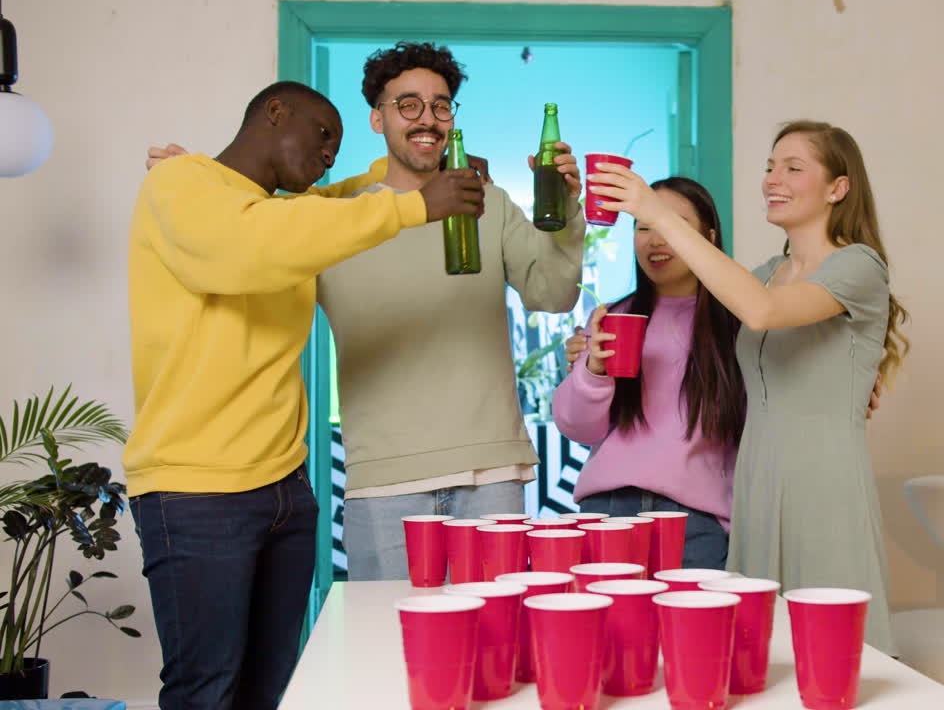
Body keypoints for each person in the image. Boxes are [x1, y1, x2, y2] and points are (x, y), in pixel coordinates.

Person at [148, 42, 586, 582]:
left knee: (492, 650)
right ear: (377, 118)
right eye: (408, 105)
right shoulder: (329, 219)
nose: (428, 119)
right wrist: (194, 176)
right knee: (388, 651)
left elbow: (553, 294)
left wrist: (566, 212)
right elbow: (246, 228)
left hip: (492, 470)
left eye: (441, 105)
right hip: (383, 480)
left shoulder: (488, 202)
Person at [126, 81, 483, 709]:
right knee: (206, 691)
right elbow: (247, 247)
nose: (327, 157)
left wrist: (421, 165)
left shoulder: (279, 208)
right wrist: (413, 207)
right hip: (197, 491)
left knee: (272, 692)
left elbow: (333, 202)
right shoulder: (181, 186)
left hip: (285, 491)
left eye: (336, 149)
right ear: (274, 111)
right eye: (323, 136)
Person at [588, 120, 909, 654]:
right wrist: (592, 353)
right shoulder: (765, 272)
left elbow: (762, 314)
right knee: (756, 654)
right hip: (755, 479)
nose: (772, 179)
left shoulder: (858, 265)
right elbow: (697, 330)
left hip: (821, 479)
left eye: (793, 167)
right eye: (768, 167)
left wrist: (659, 213)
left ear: (838, 188)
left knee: (828, 649)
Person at [552, 177, 745, 568]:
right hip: (604, 515)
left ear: (708, 236)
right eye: (643, 226)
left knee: (690, 631)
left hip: (695, 523)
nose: (655, 240)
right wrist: (592, 370)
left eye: (671, 224)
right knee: (602, 631)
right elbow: (577, 428)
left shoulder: (741, 325)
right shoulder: (612, 317)